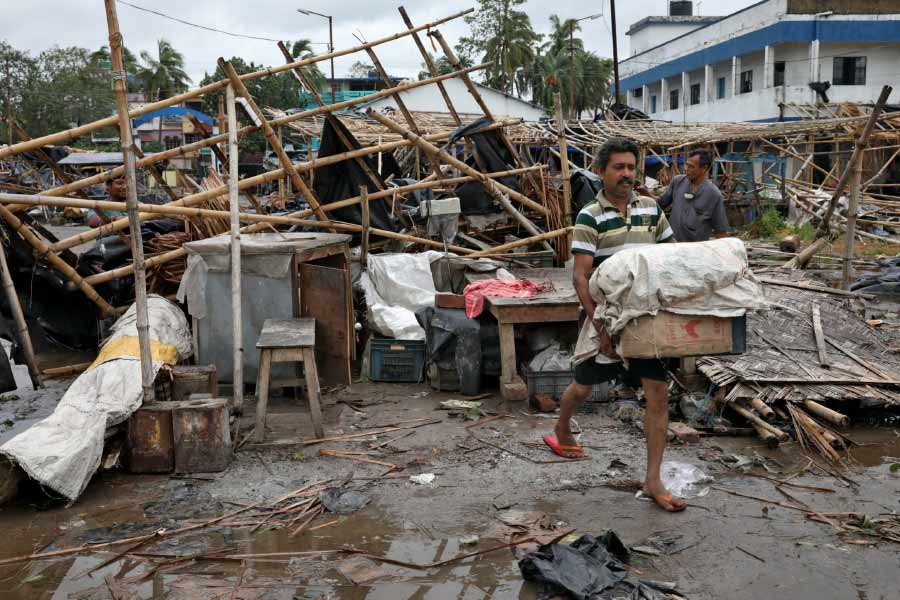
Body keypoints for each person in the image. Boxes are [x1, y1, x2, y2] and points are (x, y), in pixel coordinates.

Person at [542, 137, 686, 513]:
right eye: (618, 167)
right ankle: (562, 427)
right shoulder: (590, 215)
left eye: (630, 167)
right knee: (583, 385)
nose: (626, 174)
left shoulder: (652, 210)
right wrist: (601, 329)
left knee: (657, 392)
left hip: (646, 319)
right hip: (605, 317)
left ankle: (653, 479)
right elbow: (580, 277)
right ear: (600, 171)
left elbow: (671, 258)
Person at [658, 150, 729, 242]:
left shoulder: (713, 194)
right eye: (687, 165)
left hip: (695, 250)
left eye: (691, 167)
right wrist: (644, 194)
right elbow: (659, 204)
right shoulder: (677, 182)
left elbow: (720, 231)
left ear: (704, 168)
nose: (686, 169)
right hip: (672, 246)